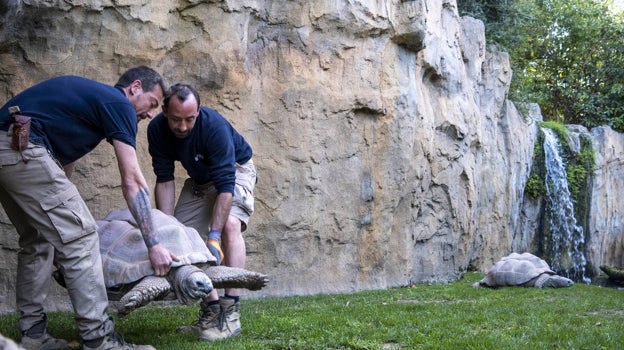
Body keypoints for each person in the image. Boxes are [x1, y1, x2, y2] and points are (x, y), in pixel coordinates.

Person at [0, 66, 179, 350]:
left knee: (39, 240)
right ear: (135, 88)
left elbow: (59, 168)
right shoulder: (118, 103)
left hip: (9, 148)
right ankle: (100, 340)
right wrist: (154, 243)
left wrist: (58, 231)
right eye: (152, 104)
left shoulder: (89, 103)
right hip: (22, 149)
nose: (150, 114)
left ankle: (34, 336)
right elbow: (132, 180)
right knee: (82, 238)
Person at [147, 83, 256, 340]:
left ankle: (231, 313)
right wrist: (167, 228)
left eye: (189, 119)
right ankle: (211, 311)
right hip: (200, 180)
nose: (182, 127)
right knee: (183, 237)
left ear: (199, 111)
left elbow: (226, 187)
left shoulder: (213, 127)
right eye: (176, 119)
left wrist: (214, 237)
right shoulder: (156, 130)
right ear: (164, 111)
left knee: (230, 226)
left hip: (236, 171)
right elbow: (164, 179)